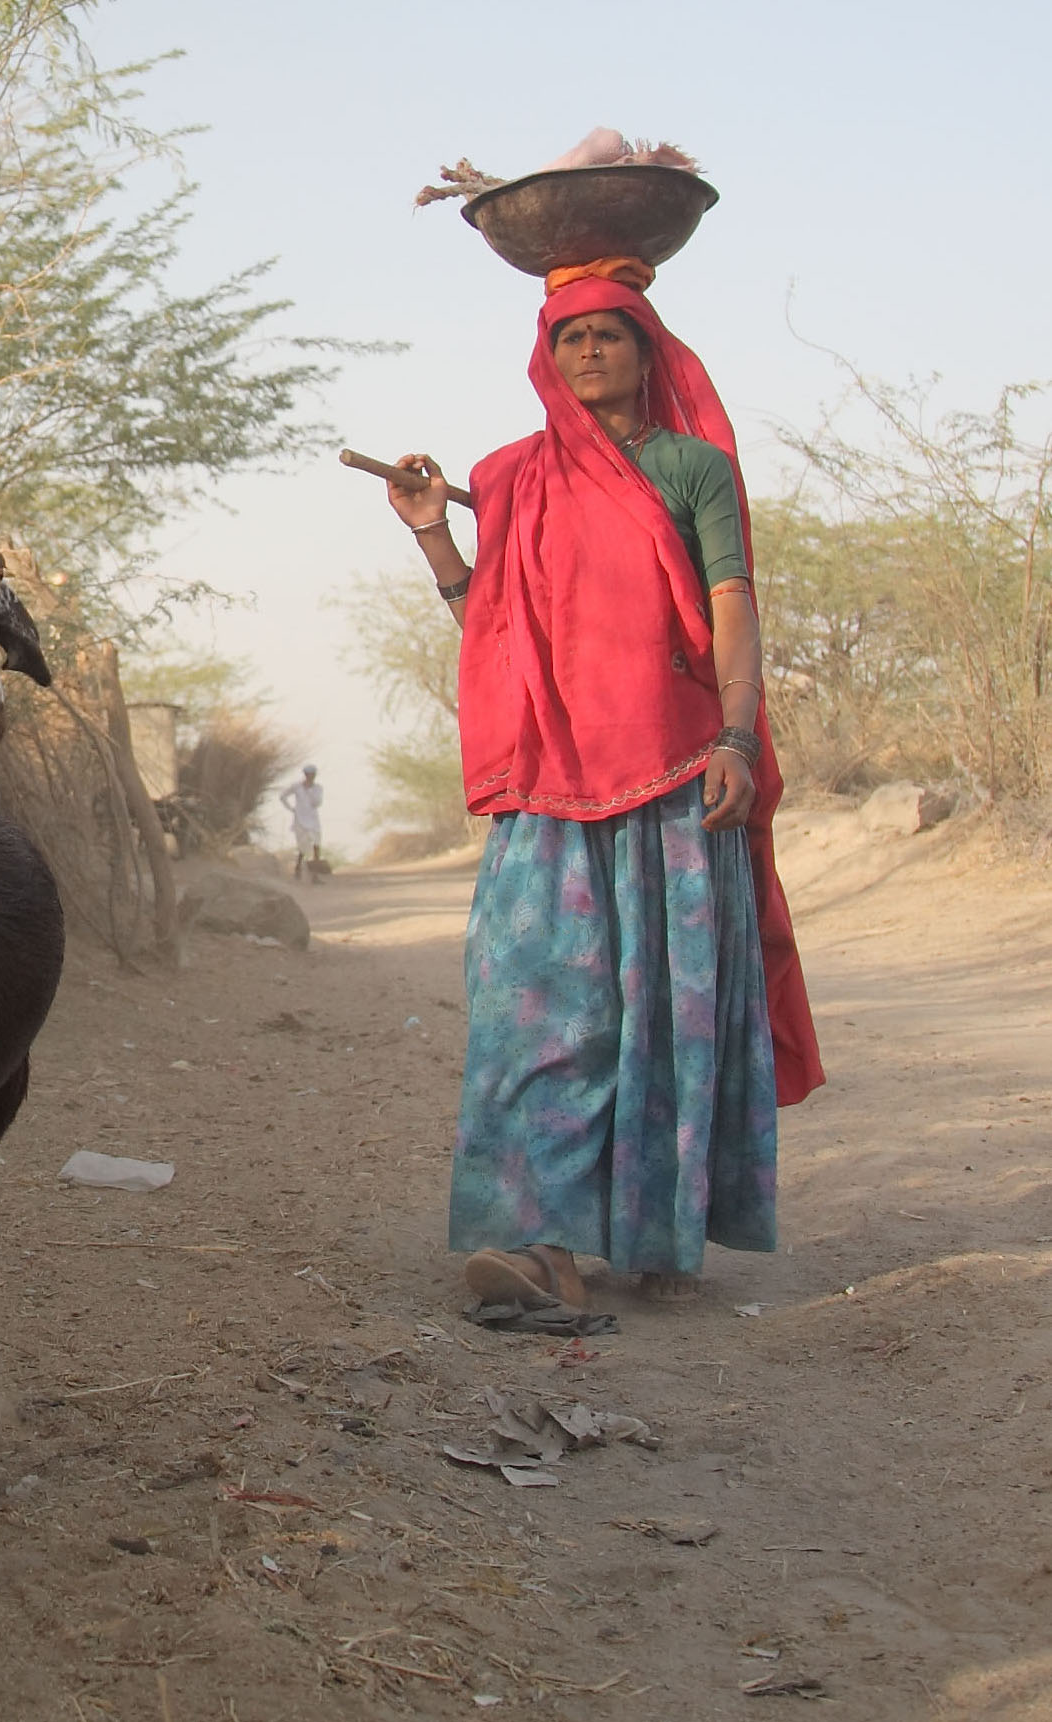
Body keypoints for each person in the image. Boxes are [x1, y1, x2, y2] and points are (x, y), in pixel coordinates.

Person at [384, 257, 822, 1311]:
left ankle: (642, 1230)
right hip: (547, 785)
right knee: (533, 1005)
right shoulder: (506, 477)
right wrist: (433, 530)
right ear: (544, 358)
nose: (585, 351)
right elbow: (496, 638)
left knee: (657, 1015)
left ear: (644, 352)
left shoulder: (690, 469)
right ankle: (540, 1248)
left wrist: (733, 739)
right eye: (566, 337)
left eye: (606, 335)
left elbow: (730, 606)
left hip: (675, 779)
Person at [278, 764, 324, 880]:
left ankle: (315, 874)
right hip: (300, 819)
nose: (311, 777)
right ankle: (298, 868)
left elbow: (317, 803)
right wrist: (291, 808)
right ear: (305, 775)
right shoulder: (297, 786)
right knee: (302, 845)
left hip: (313, 819)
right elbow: (283, 796)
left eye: (313, 775)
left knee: (316, 844)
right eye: (309, 774)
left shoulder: (318, 788)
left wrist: (310, 790)